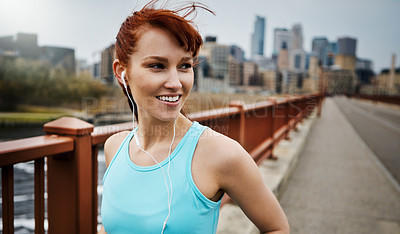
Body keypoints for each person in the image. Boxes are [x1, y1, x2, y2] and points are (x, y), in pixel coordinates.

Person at [99, 1, 289, 233]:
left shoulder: (220, 154)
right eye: (157, 66)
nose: (175, 83)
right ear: (122, 72)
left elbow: (276, 228)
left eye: (185, 66)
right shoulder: (114, 148)